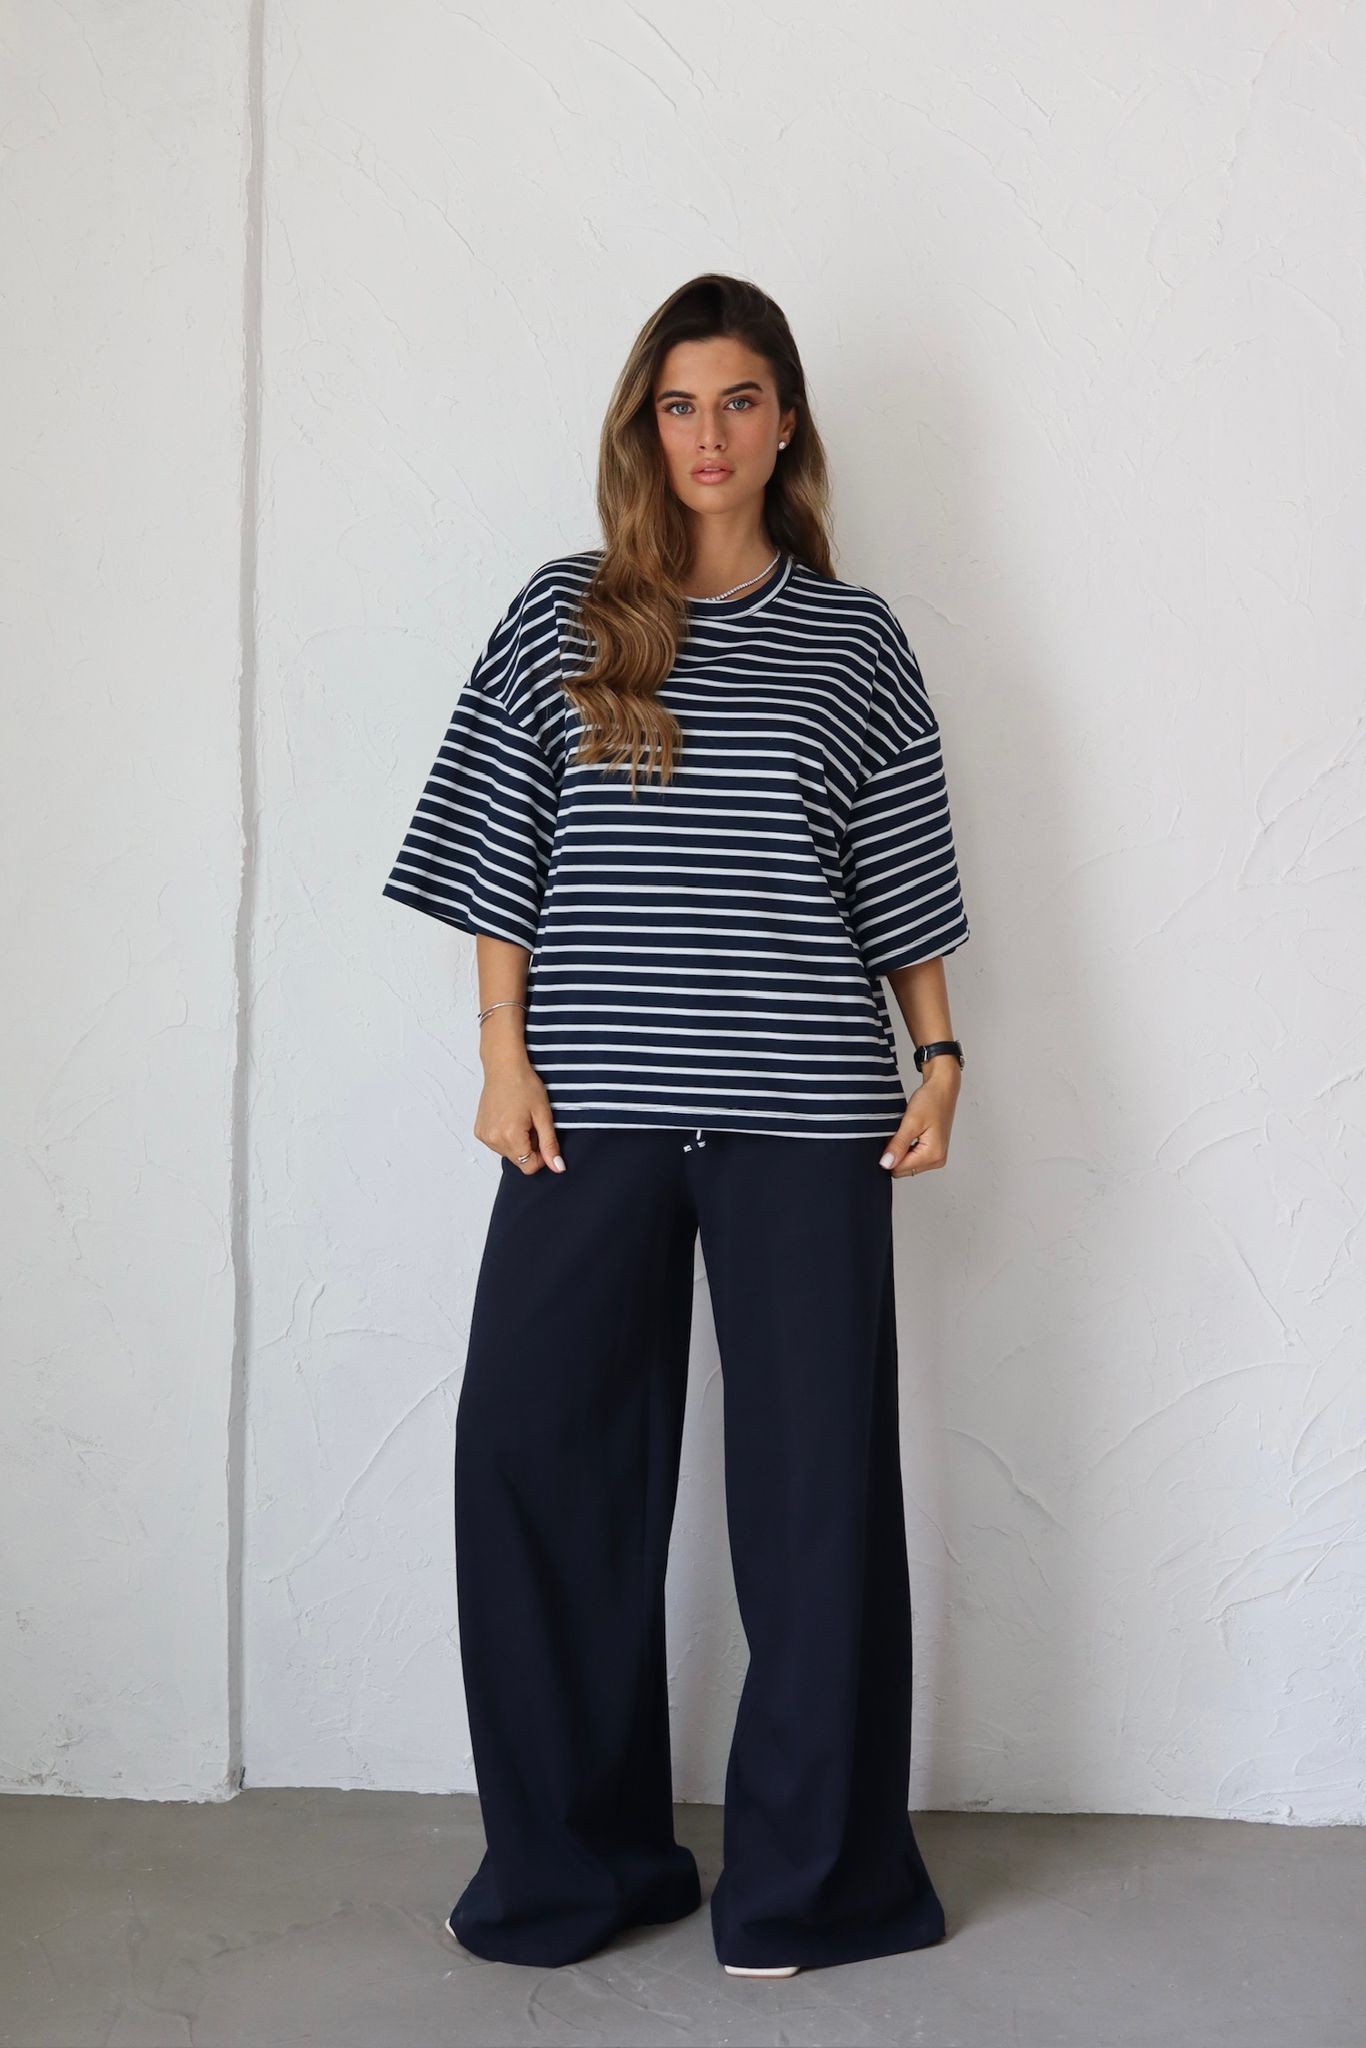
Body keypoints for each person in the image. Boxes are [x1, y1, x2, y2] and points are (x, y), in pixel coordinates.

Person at [383, 273, 970, 1977]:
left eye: (738, 400)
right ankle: (576, 1871)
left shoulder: (852, 640)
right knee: (535, 1467)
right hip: (588, 1113)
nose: (708, 434)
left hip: (806, 1118)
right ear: (646, 427)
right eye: (678, 404)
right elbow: (497, 850)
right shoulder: (563, 613)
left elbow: (899, 875)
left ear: (785, 423)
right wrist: (501, 1052)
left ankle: (811, 1886)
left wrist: (939, 1059)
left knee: (814, 1502)